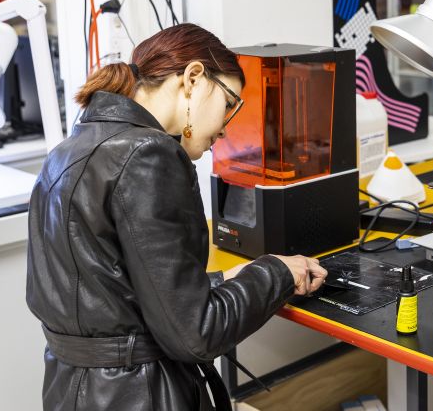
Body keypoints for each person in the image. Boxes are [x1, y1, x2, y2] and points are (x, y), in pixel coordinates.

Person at [26, 23, 327, 411]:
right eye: (229, 103)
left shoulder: (68, 151)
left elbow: (117, 294)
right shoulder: (147, 155)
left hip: (73, 392)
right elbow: (197, 334)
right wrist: (276, 273)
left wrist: (222, 280)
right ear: (194, 78)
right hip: (140, 396)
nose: (224, 128)